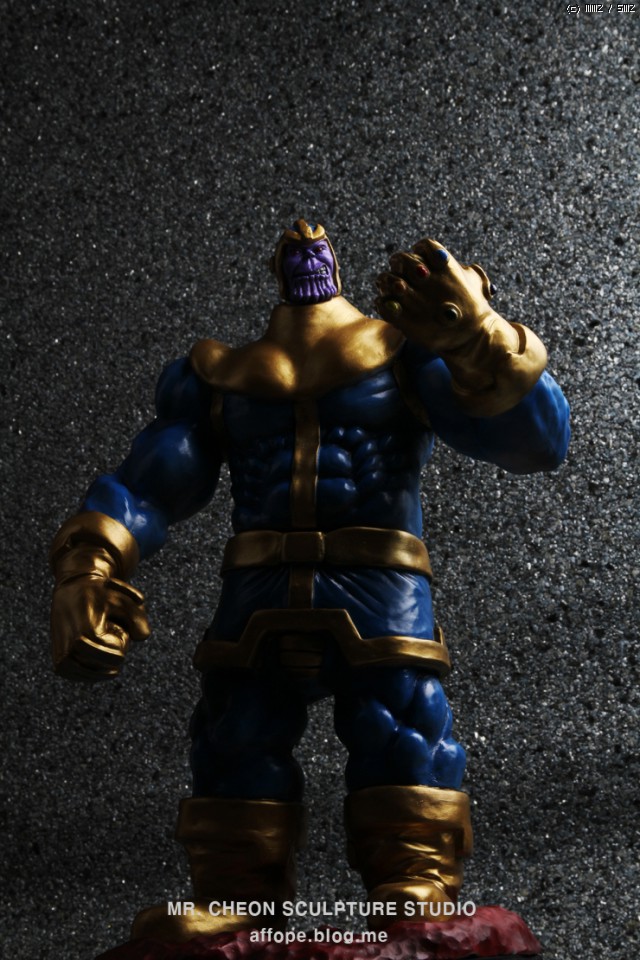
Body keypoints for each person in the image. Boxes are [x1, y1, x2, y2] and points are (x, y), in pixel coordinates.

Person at [50, 220, 570, 943]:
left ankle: (414, 884)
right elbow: (150, 482)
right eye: (292, 245)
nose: (306, 241)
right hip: (258, 594)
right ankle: (238, 894)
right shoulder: (221, 379)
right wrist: (91, 563)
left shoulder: (403, 362)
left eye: (317, 243)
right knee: (236, 738)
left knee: (401, 730)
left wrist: (477, 335)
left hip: (378, 588)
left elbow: (537, 443)